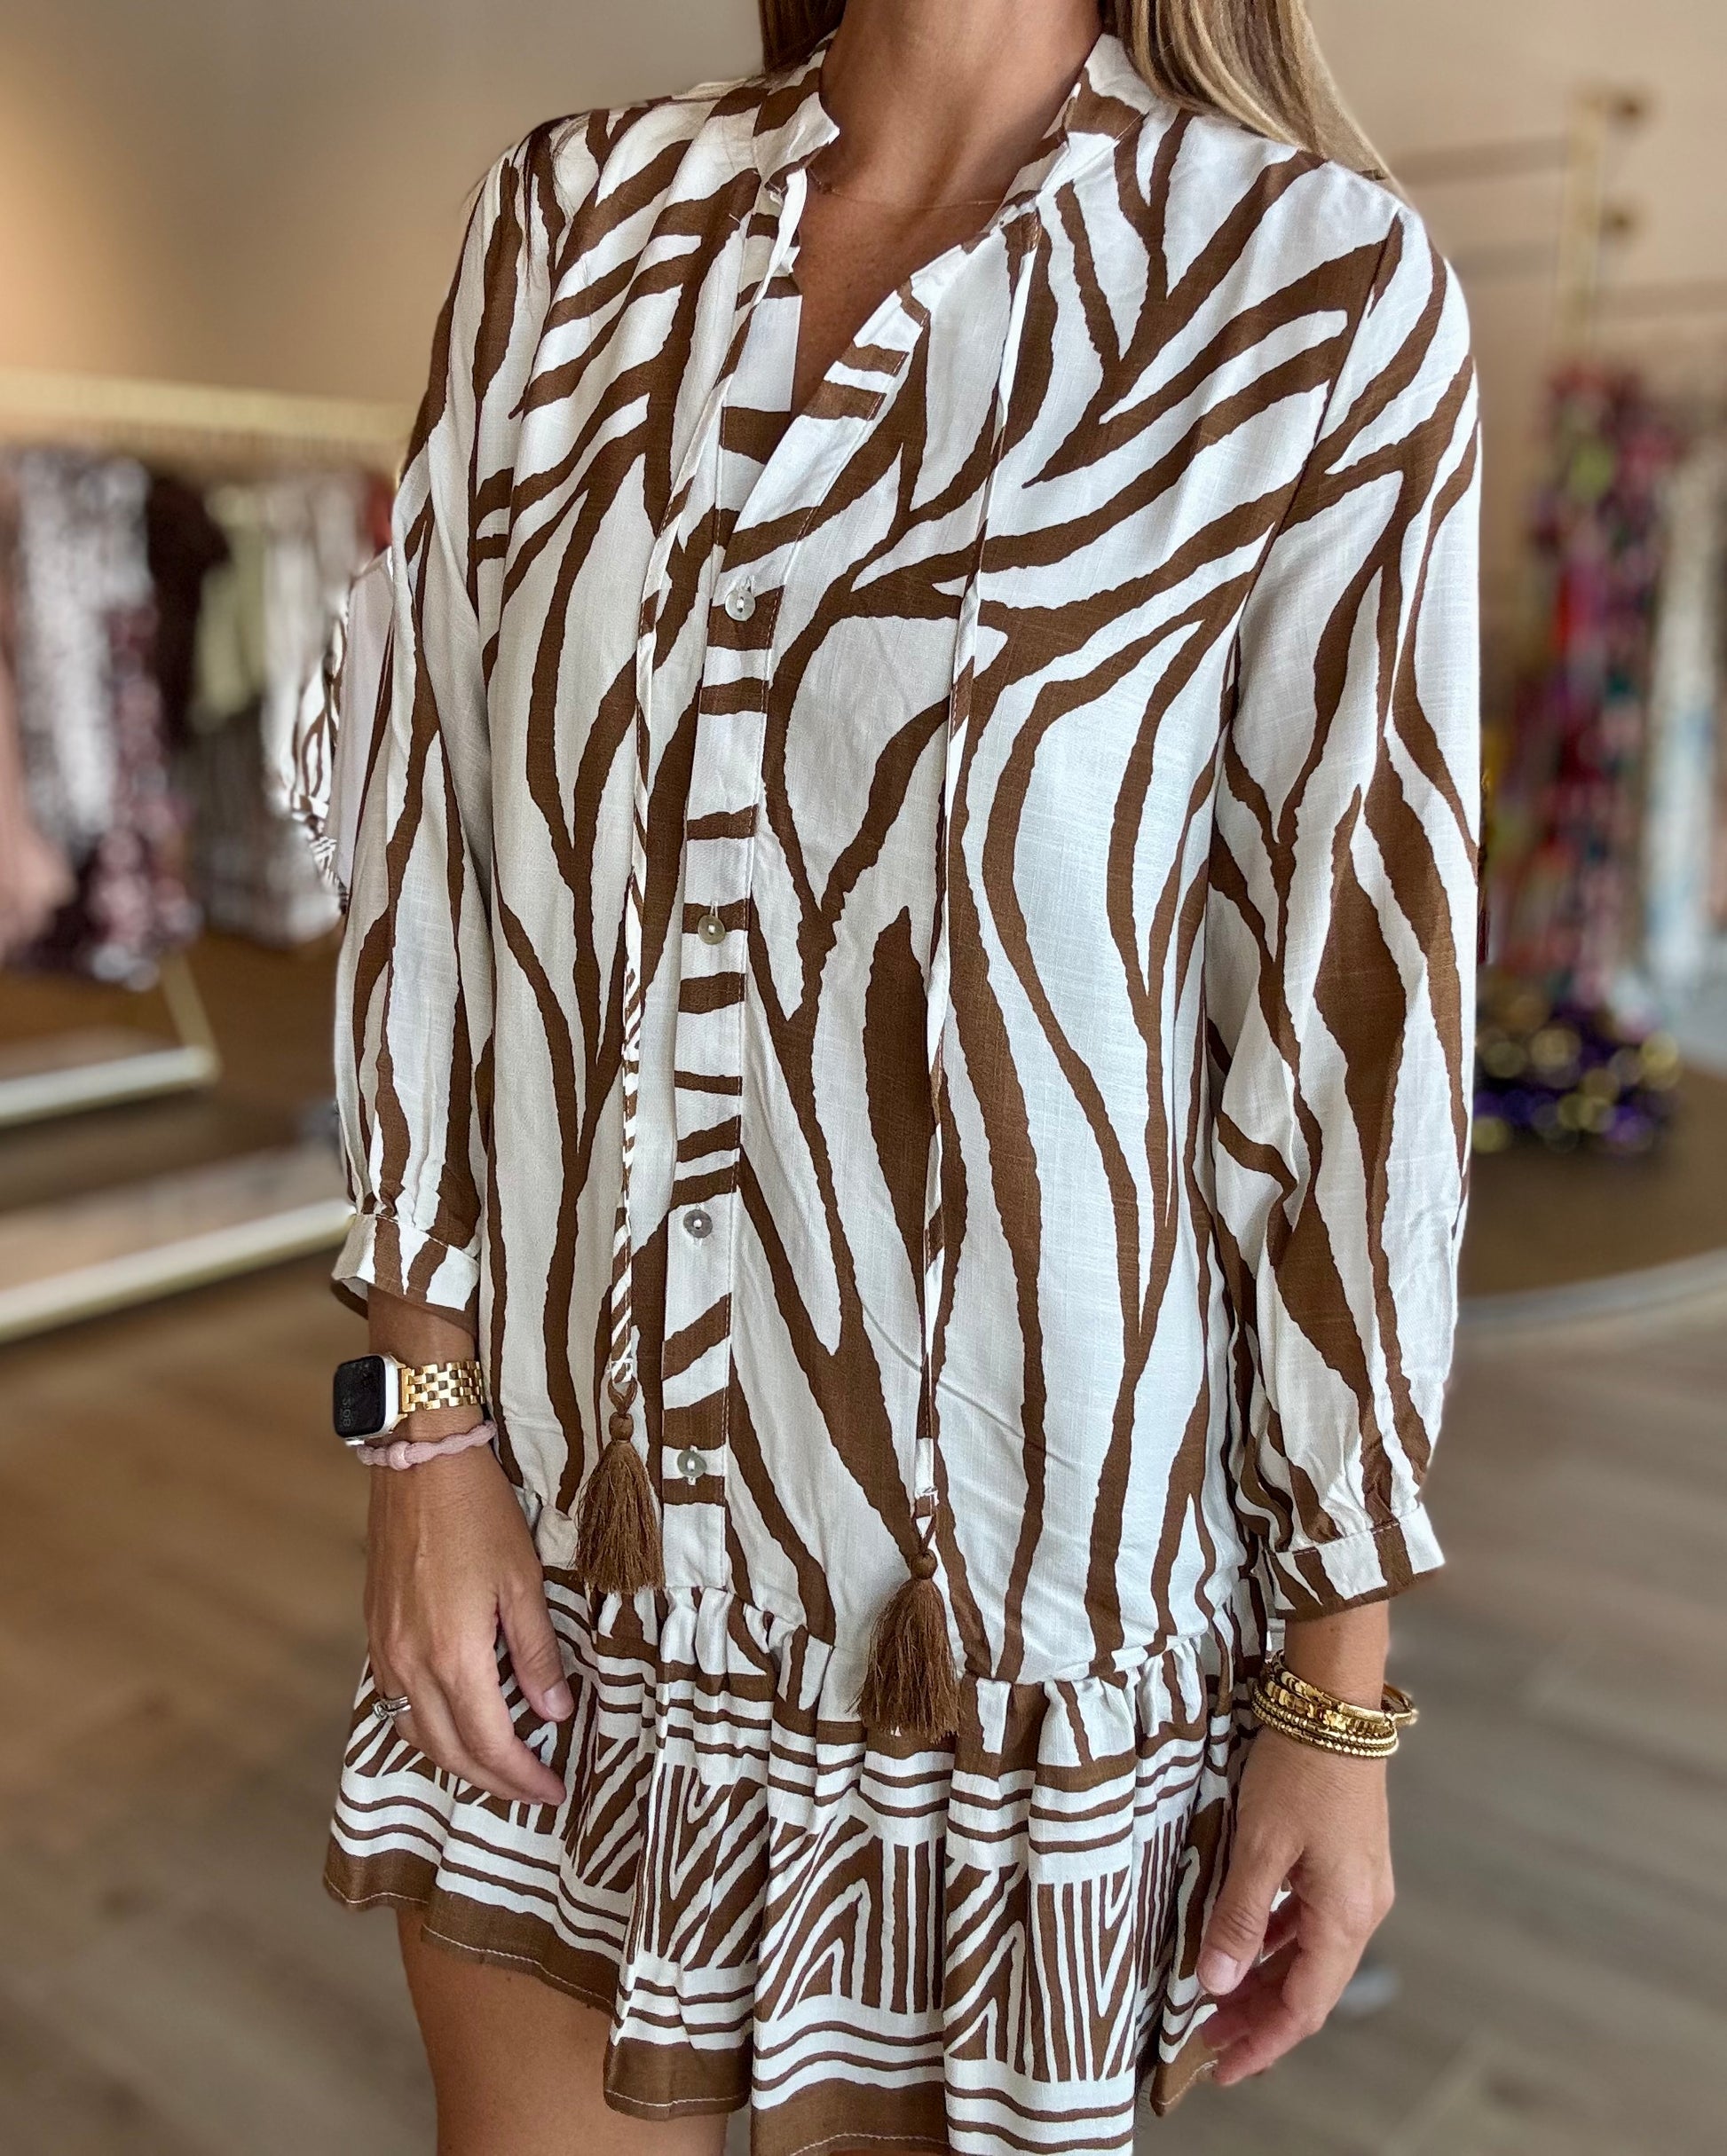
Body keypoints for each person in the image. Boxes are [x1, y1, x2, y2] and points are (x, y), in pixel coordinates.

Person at [322, 2, 1480, 2151]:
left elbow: (1350, 1029)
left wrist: (1335, 1700)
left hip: (1002, 1644)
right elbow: (425, 859)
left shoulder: (1309, 288)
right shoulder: (565, 221)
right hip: (554, 1557)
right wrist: (413, 1431)